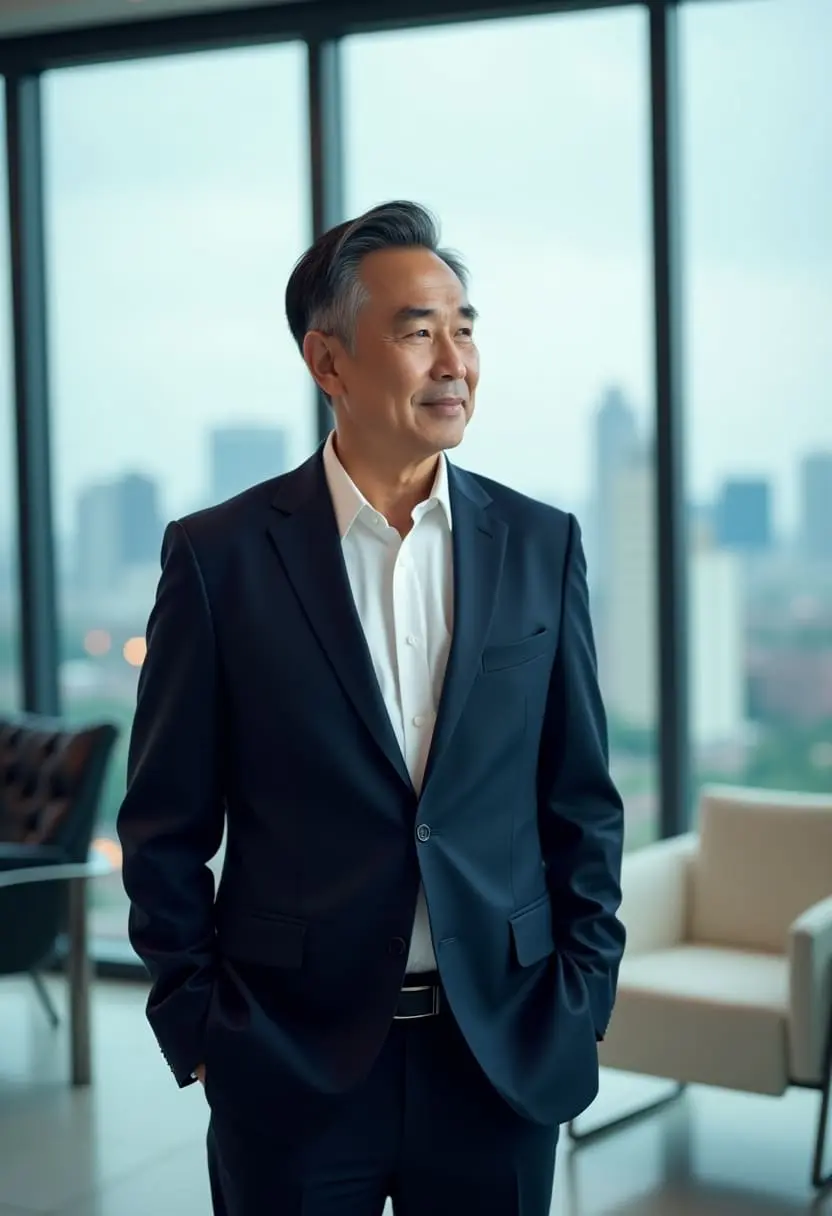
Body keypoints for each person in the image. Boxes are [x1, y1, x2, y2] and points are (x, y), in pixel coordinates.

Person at [117, 200, 626, 1216]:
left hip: (500, 1053)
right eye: (415, 329)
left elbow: (580, 803)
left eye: (465, 325)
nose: (454, 358)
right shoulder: (219, 559)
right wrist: (202, 1027)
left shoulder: (541, 544)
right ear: (329, 361)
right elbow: (165, 824)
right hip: (290, 1065)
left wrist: (580, 998)